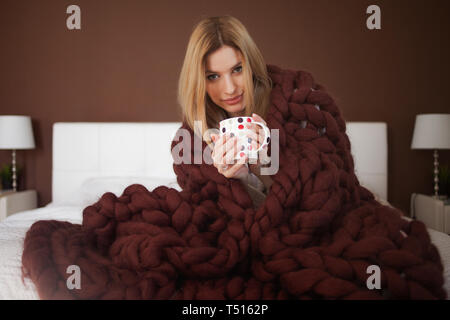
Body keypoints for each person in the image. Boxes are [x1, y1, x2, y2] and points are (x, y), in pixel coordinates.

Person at [177, 15, 274, 208]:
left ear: (252, 66)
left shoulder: (294, 108)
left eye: (237, 69)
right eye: (213, 76)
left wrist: (262, 168)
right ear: (198, 83)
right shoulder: (191, 139)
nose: (229, 88)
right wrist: (240, 179)